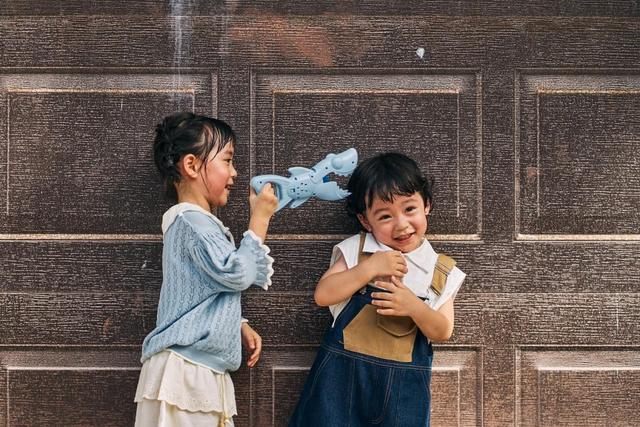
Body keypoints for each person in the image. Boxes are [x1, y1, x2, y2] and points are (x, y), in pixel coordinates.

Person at [289, 152, 466, 426]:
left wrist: (413, 306)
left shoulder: (440, 269)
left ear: (427, 204)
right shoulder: (358, 250)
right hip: (340, 385)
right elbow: (323, 295)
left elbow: (442, 330)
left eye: (410, 209)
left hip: (403, 396)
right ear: (365, 221)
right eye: (385, 216)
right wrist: (369, 269)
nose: (401, 224)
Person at [134, 112, 278, 426]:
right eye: (227, 160)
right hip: (186, 375)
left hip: (197, 371)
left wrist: (234, 323)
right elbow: (236, 274)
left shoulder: (196, 223)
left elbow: (197, 290)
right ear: (191, 165)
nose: (235, 172)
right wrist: (260, 221)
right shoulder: (191, 221)